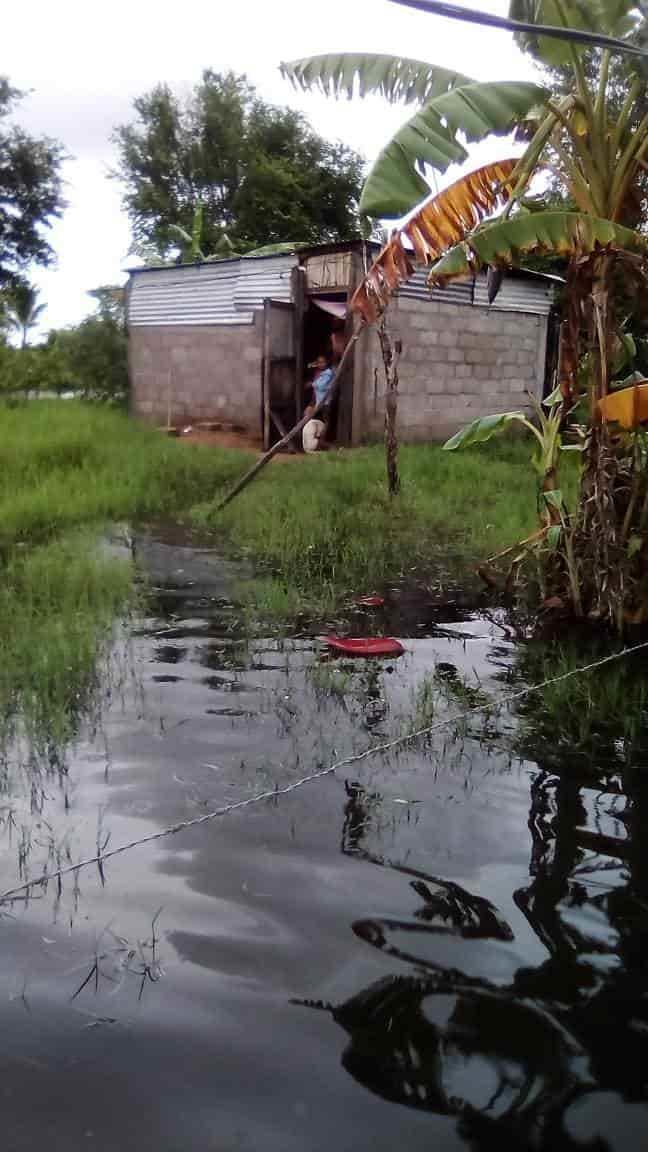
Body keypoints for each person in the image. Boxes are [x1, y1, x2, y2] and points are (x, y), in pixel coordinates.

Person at [302, 354, 335, 452]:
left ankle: (321, 441)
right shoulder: (319, 373)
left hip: (325, 402)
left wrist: (312, 384)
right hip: (318, 401)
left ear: (327, 363)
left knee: (325, 422)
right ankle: (313, 440)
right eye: (319, 362)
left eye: (323, 362)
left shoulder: (328, 373)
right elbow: (310, 366)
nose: (321, 364)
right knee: (309, 417)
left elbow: (321, 385)